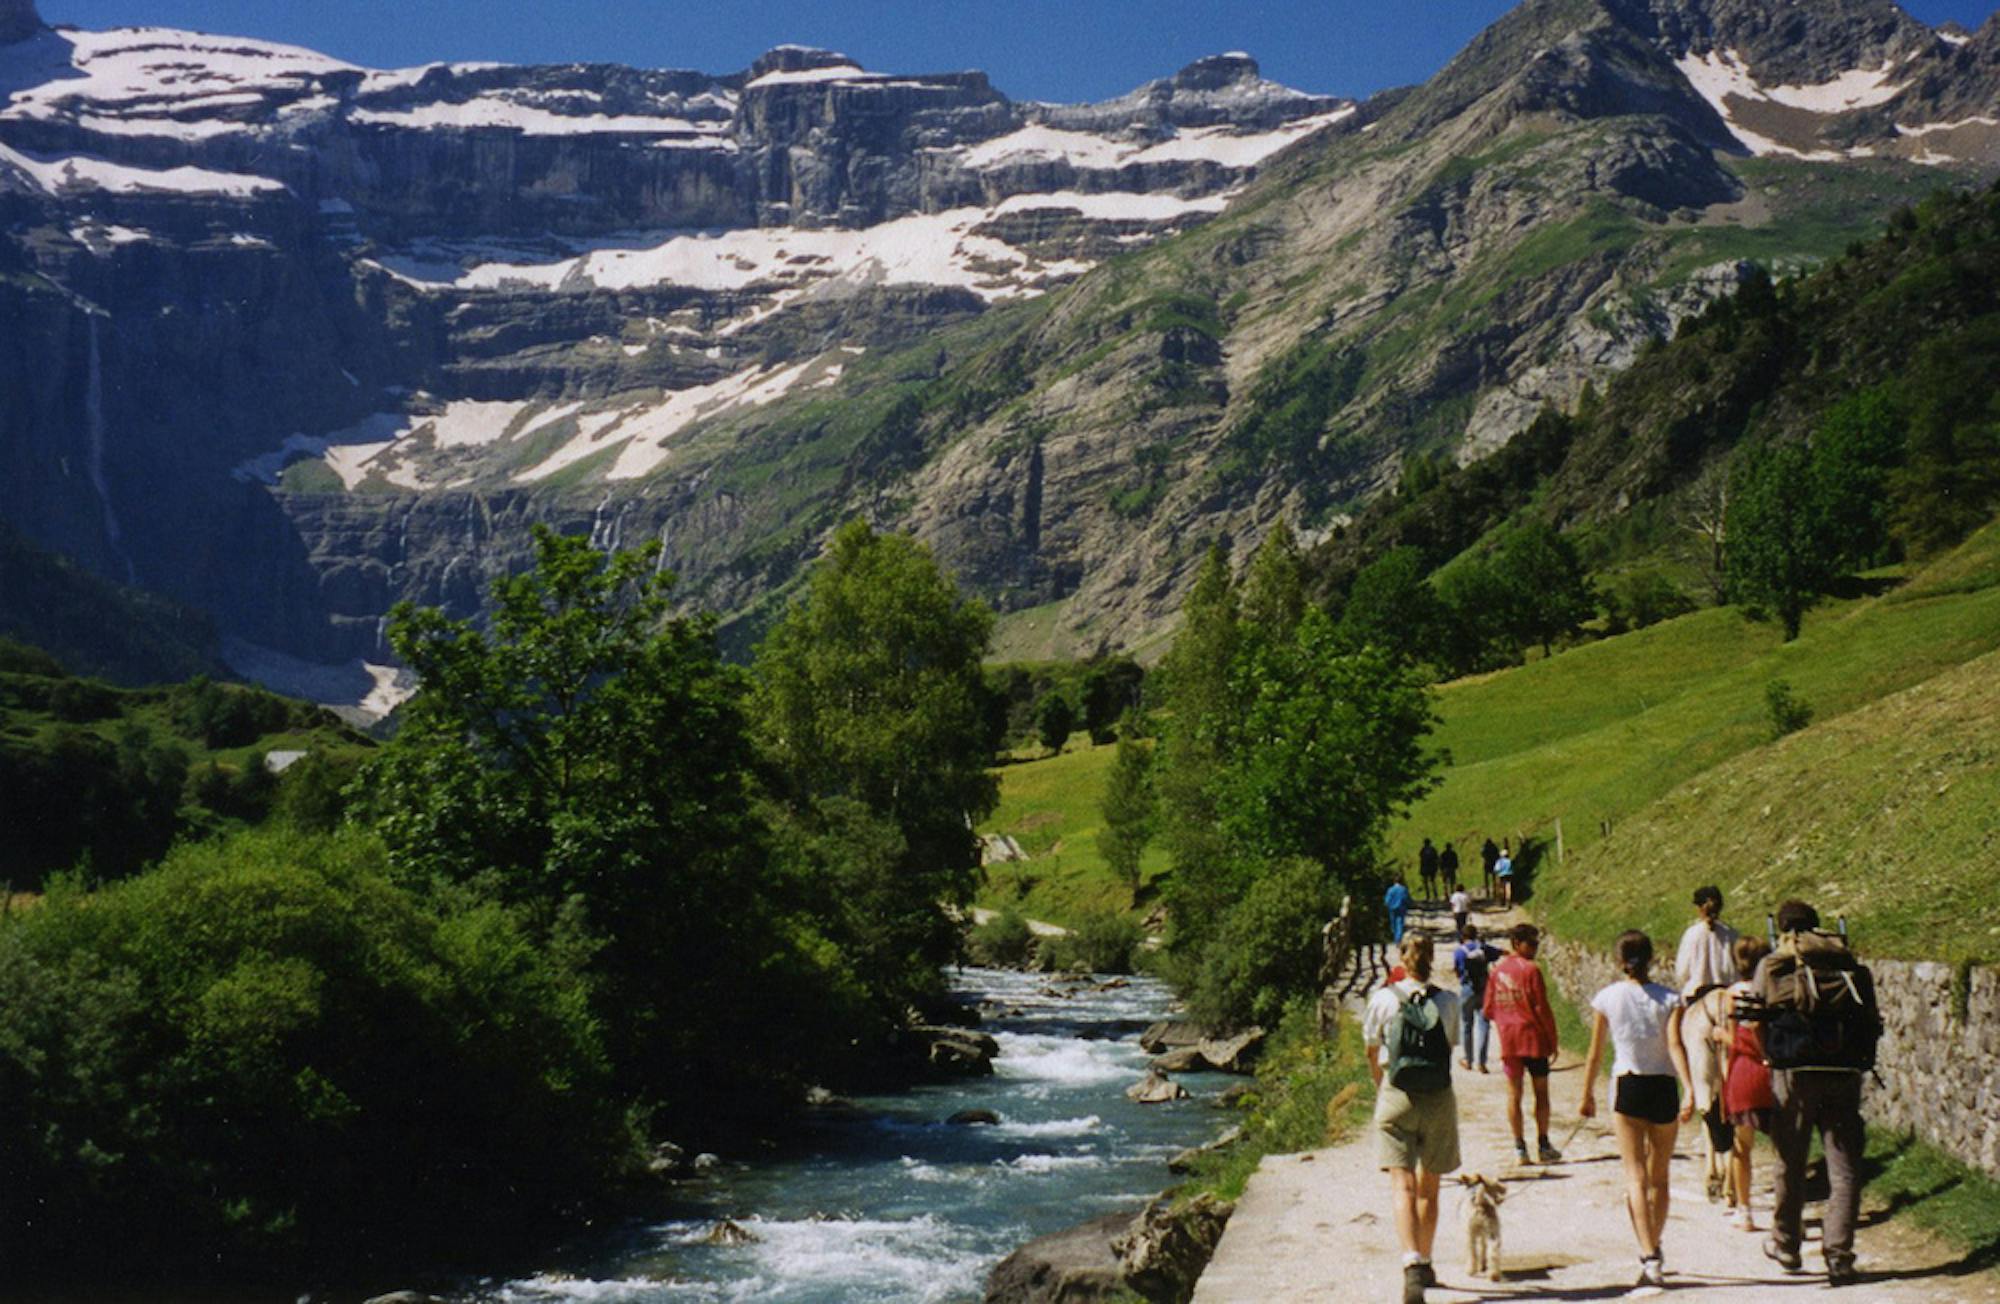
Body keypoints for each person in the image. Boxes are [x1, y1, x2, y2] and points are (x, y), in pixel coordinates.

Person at [1756, 900, 1866, 1287]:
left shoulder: (1777, 963)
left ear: (1782, 928)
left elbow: (1760, 1004)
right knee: (1845, 1167)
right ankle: (1840, 1257)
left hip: (1795, 1073)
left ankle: (1787, 1243)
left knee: (1791, 1159)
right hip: (1845, 1072)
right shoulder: (1845, 960)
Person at [1579, 930, 1694, 1291]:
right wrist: (1689, 1087)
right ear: (1652, 959)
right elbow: (1675, 1044)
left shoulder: (1607, 998)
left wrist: (1586, 1094)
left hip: (1628, 1085)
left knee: (1635, 1177)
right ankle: (1654, 1245)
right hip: (1663, 1086)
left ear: (1619, 961)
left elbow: (1596, 1052)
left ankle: (1648, 1254)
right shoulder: (1670, 999)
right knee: (1659, 1177)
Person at [1365, 933, 1461, 1304]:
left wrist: (1381, 1088)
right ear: (1433, 958)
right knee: (1429, 1187)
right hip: (1437, 1097)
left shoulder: (1384, 999)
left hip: (1396, 1094)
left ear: (1401, 959)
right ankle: (1427, 1258)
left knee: (1401, 1186)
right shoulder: (1448, 1001)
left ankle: (1411, 1264)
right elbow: (1450, 1045)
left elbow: (1372, 1050)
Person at [1484, 923, 1562, 1164]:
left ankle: (1519, 1147)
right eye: (1532, 943)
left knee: (1514, 1093)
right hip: (1532, 1037)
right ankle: (1543, 1143)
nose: (1535, 948)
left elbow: (1487, 1008)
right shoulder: (1531, 970)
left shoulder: (1497, 972)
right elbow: (1542, 1008)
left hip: (1509, 1038)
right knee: (1541, 1092)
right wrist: (1553, 1039)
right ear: (1517, 944)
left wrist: (1505, 1018)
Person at [1719, 934, 1776, 1232]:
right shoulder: (1770, 990)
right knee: (1783, 1147)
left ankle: (1744, 1209)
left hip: (1744, 1071)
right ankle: (1787, 1211)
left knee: (1742, 1147)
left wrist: (1718, 1035)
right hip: (1771, 1072)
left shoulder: (1733, 994)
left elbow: (1732, 1039)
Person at [1675, 885, 1740, 998]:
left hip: (1696, 993)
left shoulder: (1691, 934)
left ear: (1699, 908)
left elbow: (1682, 971)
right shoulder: (1732, 934)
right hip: (1726, 992)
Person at [1452, 925, 1500, 1073]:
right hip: (1484, 988)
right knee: (1484, 1023)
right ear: (1475, 935)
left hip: (1467, 989)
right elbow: (1498, 953)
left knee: (1466, 1024)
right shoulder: (1483, 948)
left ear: (1462, 936)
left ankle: (1468, 1059)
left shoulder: (1459, 951)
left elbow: (1457, 971)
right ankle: (1482, 1062)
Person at [1384, 873, 1413, 945]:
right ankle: (1398, 940)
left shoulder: (1390, 890)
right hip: (1401, 908)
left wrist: (1388, 905)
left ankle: (1395, 937)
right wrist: (1409, 904)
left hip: (1392, 908)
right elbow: (1406, 898)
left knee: (1393, 923)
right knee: (1399, 923)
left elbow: (1387, 900)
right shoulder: (1403, 889)